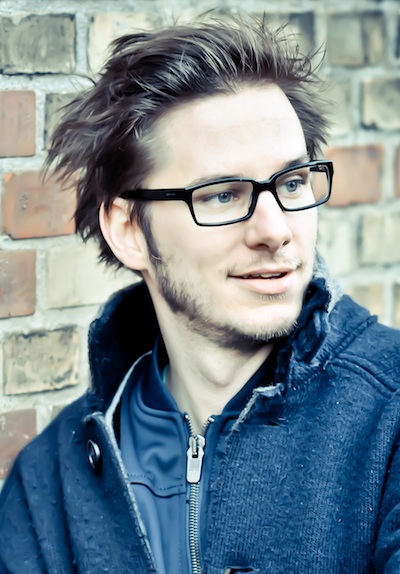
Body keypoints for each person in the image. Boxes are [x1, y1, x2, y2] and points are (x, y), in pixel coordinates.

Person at [1, 12, 400, 574]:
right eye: (221, 195)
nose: (275, 230)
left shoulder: (389, 417)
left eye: (291, 183)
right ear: (129, 230)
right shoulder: (50, 487)